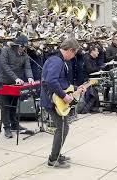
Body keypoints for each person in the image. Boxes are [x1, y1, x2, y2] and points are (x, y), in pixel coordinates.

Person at [40, 38, 86, 168]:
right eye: (74, 53)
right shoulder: (57, 60)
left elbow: (62, 83)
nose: (73, 56)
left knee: (63, 128)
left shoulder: (57, 59)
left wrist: (76, 88)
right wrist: (64, 96)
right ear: (70, 50)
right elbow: (51, 81)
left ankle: (57, 154)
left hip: (53, 99)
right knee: (63, 128)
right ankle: (53, 159)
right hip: (52, 101)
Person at [0, 35, 34, 138]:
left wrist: (30, 77)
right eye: (22, 46)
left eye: (25, 47)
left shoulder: (24, 54)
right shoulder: (6, 50)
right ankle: (7, 128)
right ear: (17, 45)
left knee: (14, 105)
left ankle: (14, 124)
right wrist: (16, 78)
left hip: (16, 83)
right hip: (4, 81)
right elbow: (4, 66)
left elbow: (27, 67)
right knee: (5, 106)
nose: (23, 49)